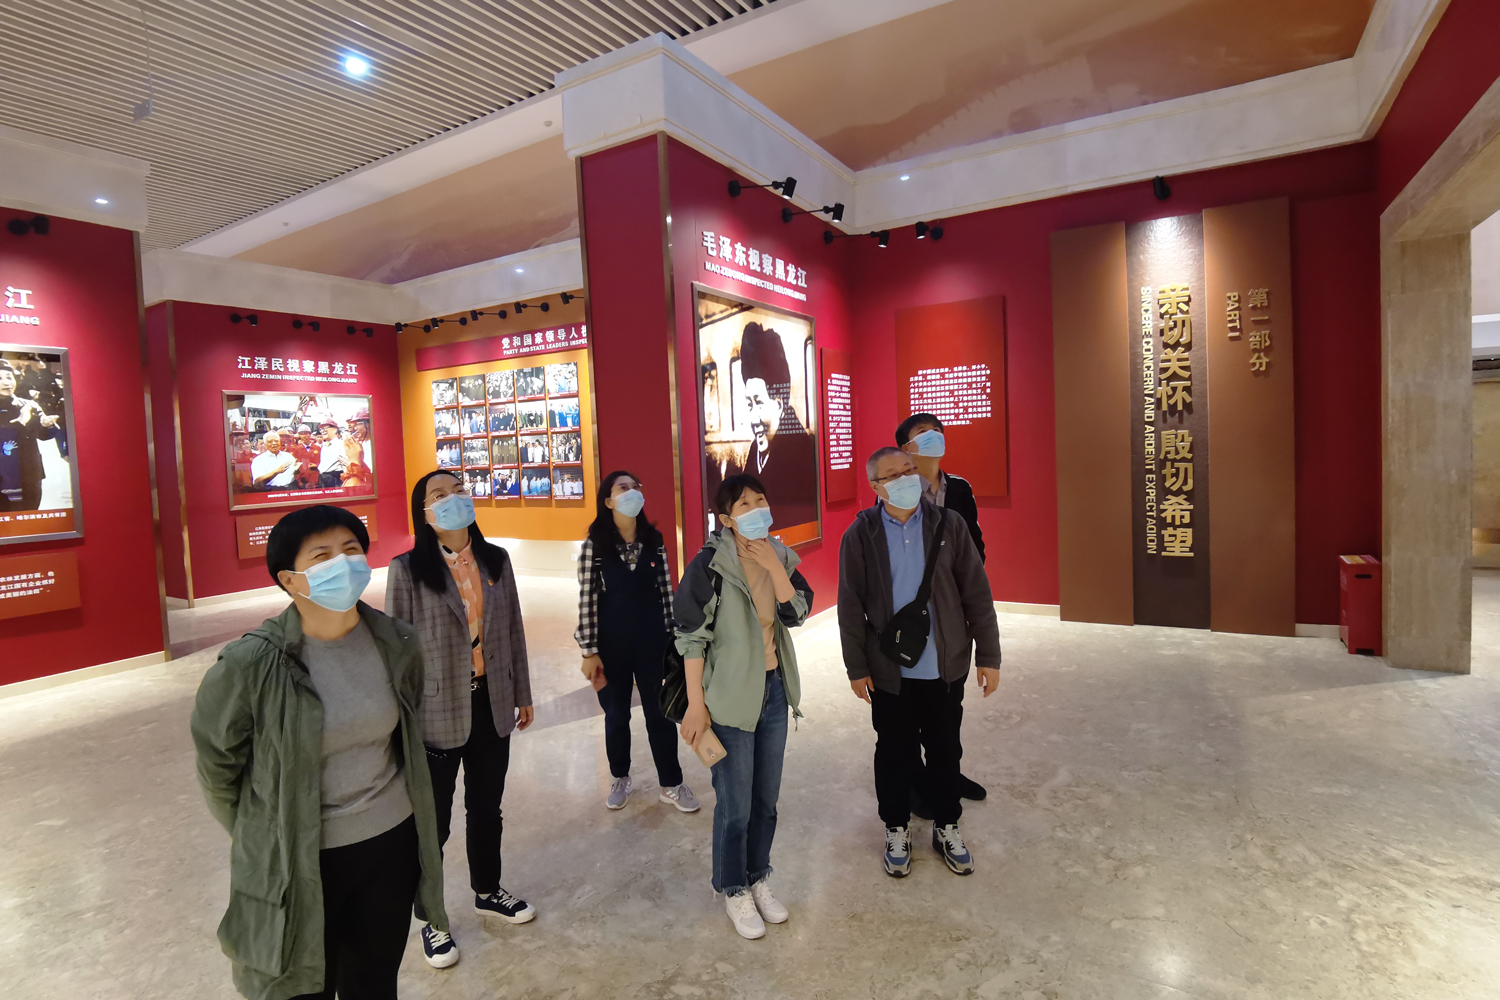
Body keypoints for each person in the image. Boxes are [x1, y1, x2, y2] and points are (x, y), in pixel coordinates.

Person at [190, 504, 449, 1000]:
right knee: (301, 987)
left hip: (390, 844)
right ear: (289, 579)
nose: (343, 563)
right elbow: (218, 770)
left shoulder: (395, 641)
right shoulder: (250, 665)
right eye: (322, 555)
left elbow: (404, 731)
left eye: (351, 550)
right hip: (303, 859)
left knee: (374, 984)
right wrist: (268, 832)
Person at [386, 471, 536, 970]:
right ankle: (432, 918)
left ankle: (488, 890)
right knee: (432, 824)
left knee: (486, 808)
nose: (453, 499)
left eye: (458, 490)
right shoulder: (408, 570)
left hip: (492, 702)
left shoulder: (496, 560)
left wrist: (522, 693)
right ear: (425, 512)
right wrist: (401, 721)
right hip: (436, 711)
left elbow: (512, 629)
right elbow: (397, 653)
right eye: (439, 495)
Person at [838, 447, 1002, 879]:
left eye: (910, 469)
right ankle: (896, 827)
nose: (907, 478)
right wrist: (856, 666)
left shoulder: (950, 525)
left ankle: (947, 824)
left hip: (944, 665)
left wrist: (989, 655)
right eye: (894, 474)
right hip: (888, 669)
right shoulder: (861, 534)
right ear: (876, 487)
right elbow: (850, 605)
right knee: (893, 751)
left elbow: (977, 592)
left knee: (946, 749)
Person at [675, 474, 813, 940]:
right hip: (729, 699)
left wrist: (774, 566)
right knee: (735, 805)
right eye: (744, 504)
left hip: (773, 692)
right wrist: (696, 706)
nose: (757, 509)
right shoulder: (710, 565)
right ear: (726, 518)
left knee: (766, 802)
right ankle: (732, 886)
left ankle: (758, 877)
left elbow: (797, 612)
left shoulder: (781, 555)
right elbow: (691, 638)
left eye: (761, 499)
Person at [576, 471, 699, 812]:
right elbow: (587, 601)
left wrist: (675, 639)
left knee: (660, 715)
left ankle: (671, 783)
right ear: (608, 500)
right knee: (616, 716)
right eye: (623, 488)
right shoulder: (594, 547)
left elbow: (666, 592)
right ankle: (620, 776)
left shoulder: (654, 540)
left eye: (635, 487)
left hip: (652, 643)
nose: (632, 493)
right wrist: (589, 651)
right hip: (611, 647)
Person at [895, 412, 990, 812]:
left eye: (938, 431)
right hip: (913, 616)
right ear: (906, 447)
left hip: (953, 615)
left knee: (951, 703)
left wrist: (964, 587)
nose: (934, 436)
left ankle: (948, 772)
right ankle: (917, 782)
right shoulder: (896, 490)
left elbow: (976, 547)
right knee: (913, 707)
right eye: (923, 432)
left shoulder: (960, 489)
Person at [704, 323, 818, 535]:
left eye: (759, 403)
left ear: (779, 404)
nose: (753, 418)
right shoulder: (755, 451)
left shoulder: (802, 454)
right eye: (749, 404)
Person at [0, 359, 60, 510]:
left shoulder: (29, 405)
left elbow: (44, 435)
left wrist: (47, 424)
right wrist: (21, 422)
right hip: (2, 474)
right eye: (0, 378)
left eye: (9, 377)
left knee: (29, 516)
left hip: (29, 473)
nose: (6, 383)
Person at [317, 420, 347, 487]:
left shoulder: (341, 444)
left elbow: (345, 465)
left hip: (335, 481)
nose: (323, 431)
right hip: (323, 480)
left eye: (325, 428)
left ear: (334, 430)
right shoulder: (324, 445)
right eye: (321, 429)